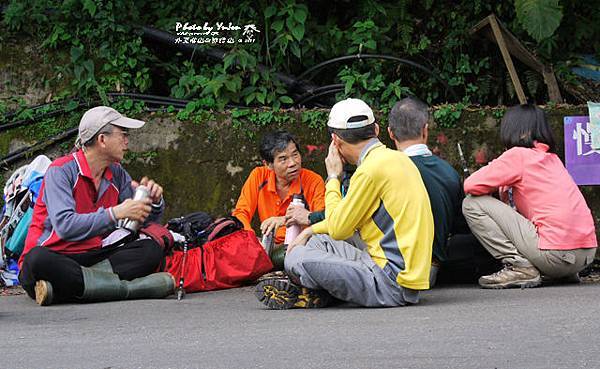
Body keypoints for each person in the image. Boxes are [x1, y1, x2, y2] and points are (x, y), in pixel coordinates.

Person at [255, 98, 434, 309]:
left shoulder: (369, 171)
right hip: (400, 272)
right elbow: (344, 220)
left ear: (335, 141)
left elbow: (339, 228)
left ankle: (318, 290)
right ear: (376, 129)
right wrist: (308, 231)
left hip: (390, 282)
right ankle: (324, 289)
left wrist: (333, 177)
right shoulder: (397, 158)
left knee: (295, 257)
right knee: (316, 241)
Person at [19, 106, 175, 306]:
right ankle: (128, 289)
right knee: (37, 260)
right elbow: (65, 227)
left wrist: (153, 202)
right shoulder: (60, 171)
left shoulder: (117, 174)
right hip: (56, 256)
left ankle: (63, 291)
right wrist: (115, 213)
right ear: (102, 139)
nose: (127, 141)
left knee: (150, 249)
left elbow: (140, 222)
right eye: (123, 135)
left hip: (93, 258)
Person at [462, 104, 597, 289]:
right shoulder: (552, 159)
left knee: (471, 204)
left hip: (556, 256)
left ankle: (519, 267)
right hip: (585, 256)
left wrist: (493, 166)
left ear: (522, 132)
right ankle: (559, 273)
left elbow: (470, 185)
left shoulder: (518, 155)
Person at [387, 97, 498, 286]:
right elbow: (460, 225)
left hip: (390, 265)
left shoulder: (384, 170)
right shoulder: (448, 172)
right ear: (425, 129)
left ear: (390, 133)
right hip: (431, 269)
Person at [232, 131, 325, 245]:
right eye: (283, 159)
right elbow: (241, 213)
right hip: (268, 243)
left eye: (295, 154)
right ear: (268, 164)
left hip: (301, 244)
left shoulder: (313, 181)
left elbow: (322, 220)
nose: (292, 163)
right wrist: (252, 241)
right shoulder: (258, 176)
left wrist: (284, 220)